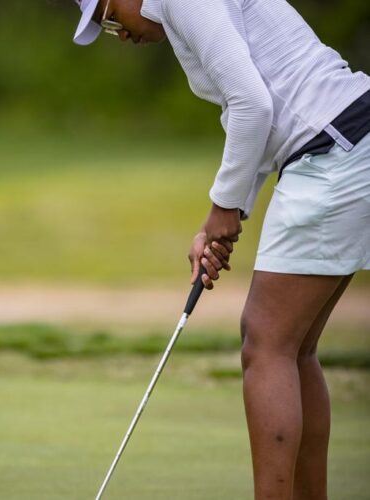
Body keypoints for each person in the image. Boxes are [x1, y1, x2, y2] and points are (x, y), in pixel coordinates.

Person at [72, 0, 370, 498]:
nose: (119, 35)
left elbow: (254, 104)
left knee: (266, 342)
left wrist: (223, 207)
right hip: (345, 142)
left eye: (107, 18)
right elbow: (246, 115)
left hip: (333, 148)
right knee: (293, 349)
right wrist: (226, 217)